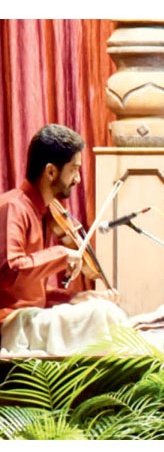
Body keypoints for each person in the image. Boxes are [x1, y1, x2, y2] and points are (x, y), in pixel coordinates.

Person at [0, 124, 133, 354]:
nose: (78, 179)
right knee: (103, 314)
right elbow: (9, 271)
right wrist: (62, 255)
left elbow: (33, 293)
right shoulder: (13, 206)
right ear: (51, 172)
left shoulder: (45, 212)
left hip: (30, 319)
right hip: (10, 324)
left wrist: (74, 297)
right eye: (74, 170)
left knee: (101, 308)